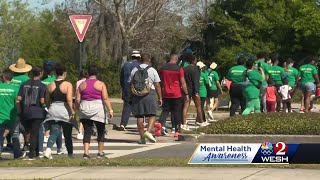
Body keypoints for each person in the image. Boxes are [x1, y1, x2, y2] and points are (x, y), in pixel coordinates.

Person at [76, 65, 113, 159]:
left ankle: (86, 153)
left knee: (87, 131)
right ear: (97, 73)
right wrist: (110, 109)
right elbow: (105, 98)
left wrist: (76, 109)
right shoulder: (100, 84)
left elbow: (77, 99)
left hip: (85, 108)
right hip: (97, 108)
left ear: (88, 73)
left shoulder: (82, 84)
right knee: (100, 130)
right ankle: (100, 152)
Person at [128, 53, 162, 144]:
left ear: (140, 60)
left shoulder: (134, 70)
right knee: (152, 114)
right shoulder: (152, 70)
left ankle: (142, 138)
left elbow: (130, 84)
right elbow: (157, 85)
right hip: (149, 93)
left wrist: (130, 96)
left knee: (139, 116)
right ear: (149, 60)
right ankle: (148, 132)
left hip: (137, 94)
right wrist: (160, 97)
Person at [43, 64, 75, 159]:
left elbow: (47, 99)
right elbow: (69, 99)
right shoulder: (68, 85)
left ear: (55, 73)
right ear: (64, 73)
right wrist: (72, 110)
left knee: (54, 131)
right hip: (64, 109)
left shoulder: (50, 85)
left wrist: (49, 108)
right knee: (67, 133)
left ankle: (48, 150)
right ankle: (70, 154)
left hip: (53, 108)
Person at [17, 67, 47, 160]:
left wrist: (20, 111)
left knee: (31, 132)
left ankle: (37, 152)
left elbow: (18, 98)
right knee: (34, 133)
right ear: (41, 73)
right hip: (37, 112)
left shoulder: (24, 84)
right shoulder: (42, 85)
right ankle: (31, 154)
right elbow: (42, 100)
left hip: (26, 111)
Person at [159, 53, 189, 137]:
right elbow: (183, 82)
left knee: (165, 111)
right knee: (177, 112)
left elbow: (160, 81)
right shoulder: (179, 69)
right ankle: (177, 130)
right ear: (176, 59)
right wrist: (186, 94)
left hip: (165, 92)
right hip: (176, 93)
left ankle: (160, 124)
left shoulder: (163, 68)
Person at [0, 70, 26, 159]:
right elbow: (17, 102)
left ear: (3, 77)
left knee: (1, 135)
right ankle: (17, 154)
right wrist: (19, 113)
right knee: (15, 135)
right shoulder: (15, 89)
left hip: (1, 116)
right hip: (12, 115)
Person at [7, 58, 32, 152]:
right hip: (23, 104)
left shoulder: (11, 78)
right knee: (25, 126)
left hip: (10, 104)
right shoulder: (27, 79)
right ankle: (26, 143)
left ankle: (11, 143)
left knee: (11, 125)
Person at [119, 51, 141, 131]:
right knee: (140, 106)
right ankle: (141, 123)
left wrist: (123, 88)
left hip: (126, 88)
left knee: (127, 106)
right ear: (138, 57)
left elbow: (121, 78)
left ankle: (123, 124)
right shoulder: (139, 65)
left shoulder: (125, 65)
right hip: (135, 88)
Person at [181, 55, 203, 130]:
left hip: (186, 89)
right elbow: (196, 81)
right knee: (199, 106)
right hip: (194, 89)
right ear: (193, 60)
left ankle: (183, 123)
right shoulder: (196, 69)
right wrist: (197, 92)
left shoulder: (184, 69)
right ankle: (201, 121)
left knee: (185, 106)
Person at [75, 70, 88, 140]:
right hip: (86, 99)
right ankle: (81, 130)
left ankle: (80, 131)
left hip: (80, 99)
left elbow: (77, 92)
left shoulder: (78, 82)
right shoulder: (87, 82)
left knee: (80, 116)